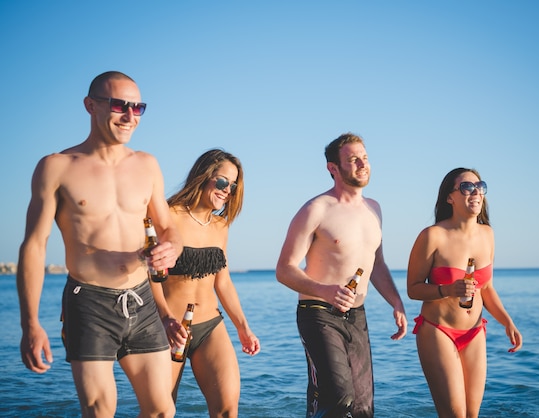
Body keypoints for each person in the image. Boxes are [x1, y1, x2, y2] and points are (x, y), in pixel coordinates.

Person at [16, 71, 182, 417]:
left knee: (162, 410)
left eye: (138, 108)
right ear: (90, 105)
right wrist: (30, 324)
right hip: (88, 302)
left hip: (140, 299)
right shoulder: (56, 167)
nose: (129, 116)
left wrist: (173, 247)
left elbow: (168, 228)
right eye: (120, 105)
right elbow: (34, 247)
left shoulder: (147, 165)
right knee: (99, 410)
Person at [276, 132, 408, 418]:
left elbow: (378, 264)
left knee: (362, 409)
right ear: (333, 168)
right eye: (353, 159)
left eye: (365, 158)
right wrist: (324, 290)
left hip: (357, 316)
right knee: (337, 398)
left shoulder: (374, 209)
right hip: (318, 313)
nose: (362, 164)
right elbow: (284, 269)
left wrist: (396, 302)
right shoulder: (316, 209)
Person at [151, 149, 260, 416]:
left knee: (226, 409)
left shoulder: (220, 227)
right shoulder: (167, 216)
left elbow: (222, 282)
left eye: (233, 186)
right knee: (161, 411)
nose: (227, 191)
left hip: (209, 326)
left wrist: (243, 328)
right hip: (168, 328)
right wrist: (165, 317)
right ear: (204, 176)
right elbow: (148, 273)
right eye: (222, 181)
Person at [406, 167, 523, 418]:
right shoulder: (432, 236)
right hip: (437, 331)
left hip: (474, 333)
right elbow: (413, 289)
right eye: (467, 187)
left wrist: (507, 322)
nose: (476, 192)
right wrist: (446, 289)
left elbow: (487, 287)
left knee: (472, 415)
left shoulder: (488, 235)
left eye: (480, 187)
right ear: (450, 197)